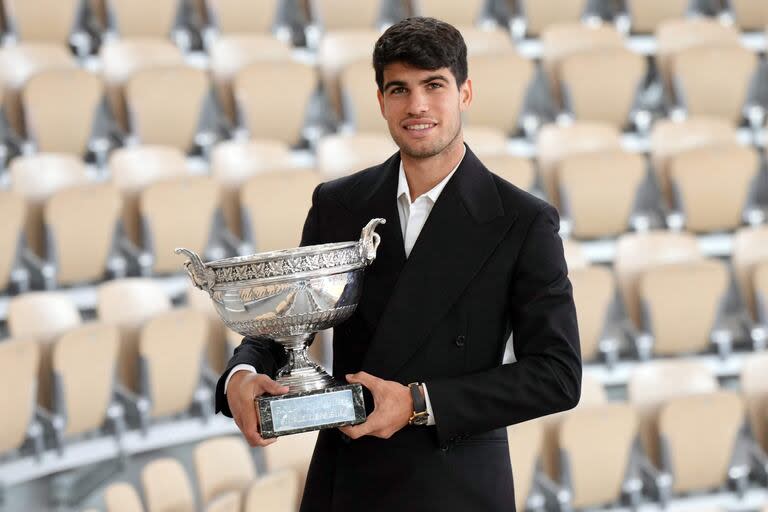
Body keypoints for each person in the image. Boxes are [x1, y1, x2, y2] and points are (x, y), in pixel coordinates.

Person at [215, 16, 581, 512]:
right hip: (348, 483)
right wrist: (241, 377)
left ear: (465, 92)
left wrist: (418, 403)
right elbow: (288, 322)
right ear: (381, 101)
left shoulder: (522, 221)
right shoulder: (338, 203)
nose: (418, 106)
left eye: (434, 85)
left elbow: (557, 375)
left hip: (456, 485)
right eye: (400, 89)